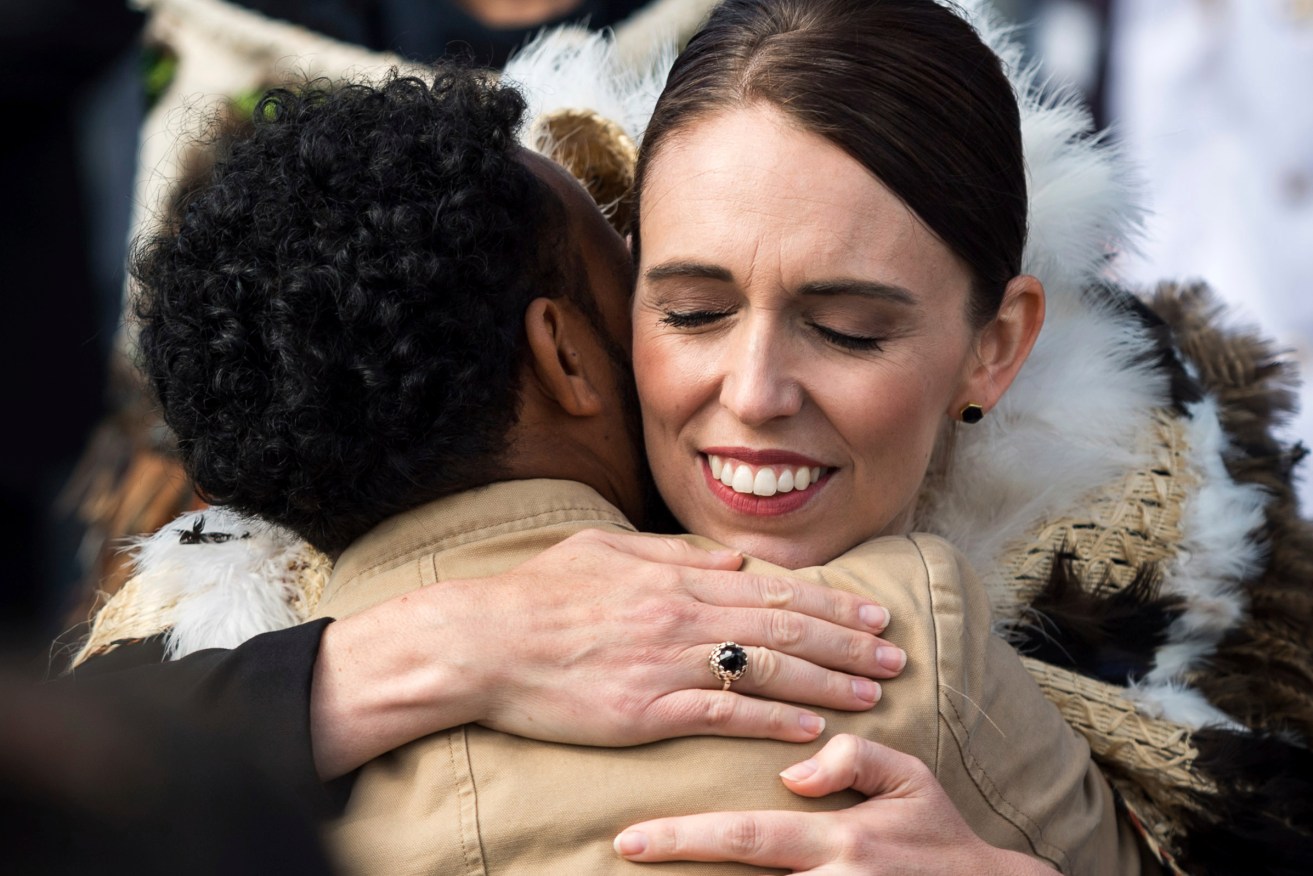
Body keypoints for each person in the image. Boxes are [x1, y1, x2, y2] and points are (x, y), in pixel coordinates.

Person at [108, 8, 1156, 870]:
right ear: (567, 355)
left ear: (997, 343)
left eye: (848, 328)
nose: (751, 393)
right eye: (685, 311)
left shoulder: (169, 726)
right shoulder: (905, 639)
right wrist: (439, 650)